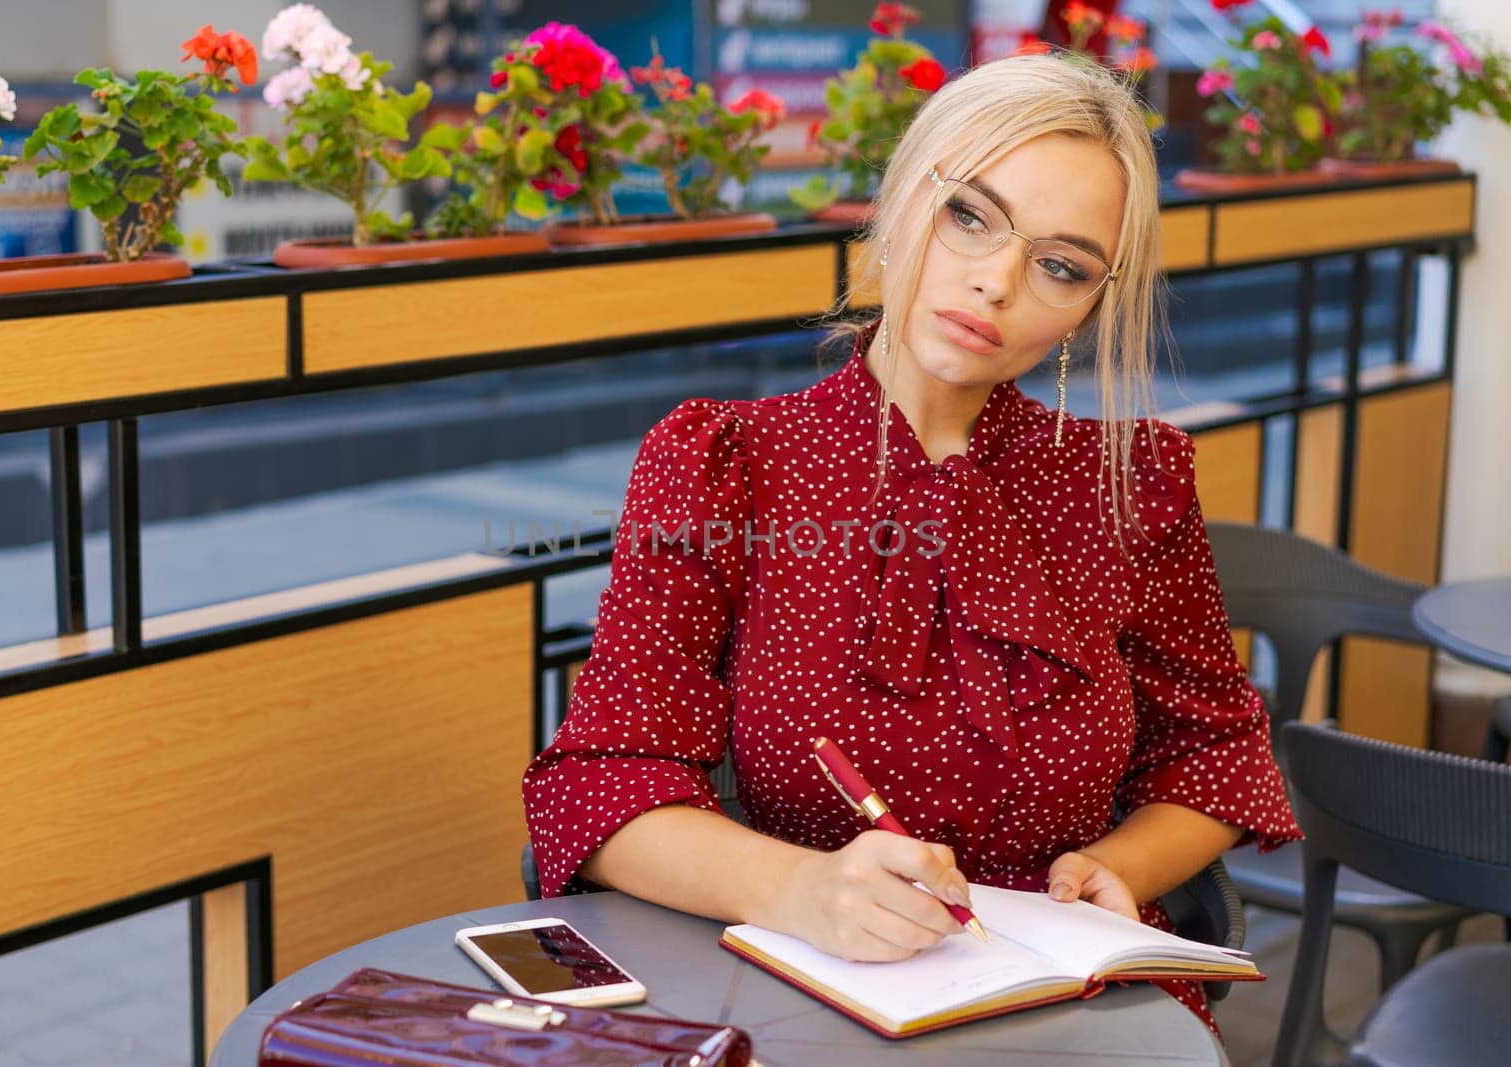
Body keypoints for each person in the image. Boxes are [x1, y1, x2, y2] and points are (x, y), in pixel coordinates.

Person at [522, 53, 1300, 1028]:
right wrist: (800, 888)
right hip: (811, 988)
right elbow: (600, 782)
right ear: (897, 201)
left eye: (1060, 265)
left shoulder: (1133, 479)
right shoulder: (728, 462)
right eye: (969, 215)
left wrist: (1119, 865)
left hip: (1080, 1002)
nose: (995, 283)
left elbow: (1215, 755)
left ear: (1088, 307)